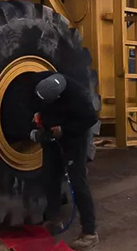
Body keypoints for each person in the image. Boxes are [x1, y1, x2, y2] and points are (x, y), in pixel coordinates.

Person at [30, 72, 99, 251]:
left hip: (73, 141)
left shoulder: (77, 95)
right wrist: (38, 115)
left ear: (58, 96)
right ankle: (54, 220)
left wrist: (65, 130)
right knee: (49, 177)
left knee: (78, 183)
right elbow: (39, 103)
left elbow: (90, 119)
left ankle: (90, 233)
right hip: (53, 138)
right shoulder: (43, 82)